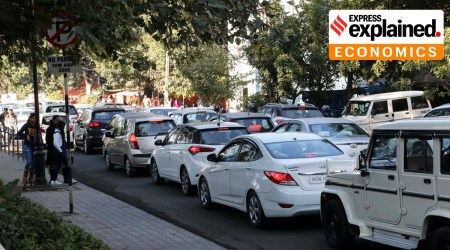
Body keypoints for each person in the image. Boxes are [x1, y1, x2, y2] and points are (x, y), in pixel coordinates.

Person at [16, 113, 37, 184]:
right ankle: (25, 177)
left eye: (35, 118)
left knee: (34, 163)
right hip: (27, 145)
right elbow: (19, 133)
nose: (34, 119)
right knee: (29, 161)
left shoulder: (37, 126)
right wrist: (25, 136)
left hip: (35, 146)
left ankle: (31, 178)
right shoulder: (26, 125)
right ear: (30, 118)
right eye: (33, 118)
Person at [51, 120, 68, 185]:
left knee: (60, 165)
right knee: (60, 165)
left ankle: (55, 179)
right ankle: (54, 179)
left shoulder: (57, 132)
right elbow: (55, 143)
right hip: (59, 151)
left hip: (59, 150)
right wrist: (60, 151)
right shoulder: (57, 133)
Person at [45, 115, 60, 183]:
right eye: (57, 120)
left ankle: (54, 178)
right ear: (54, 120)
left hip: (54, 148)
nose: (58, 121)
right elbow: (48, 139)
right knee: (53, 164)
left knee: (55, 164)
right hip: (52, 148)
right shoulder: (50, 129)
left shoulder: (58, 127)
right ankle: (53, 179)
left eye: (59, 120)